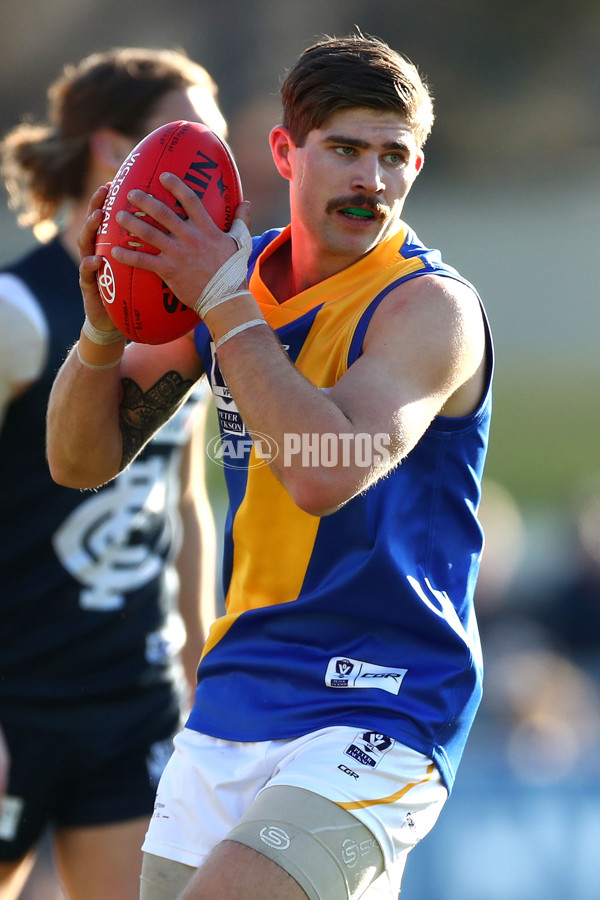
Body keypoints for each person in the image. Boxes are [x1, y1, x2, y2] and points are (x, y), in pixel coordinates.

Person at [46, 33, 494, 900]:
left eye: (393, 156)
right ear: (286, 153)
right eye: (346, 150)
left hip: (383, 697)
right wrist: (103, 324)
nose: (372, 178)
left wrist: (222, 301)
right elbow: (79, 458)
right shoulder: (237, 277)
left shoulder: (431, 310)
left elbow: (322, 472)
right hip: (238, 694)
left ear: (417, 166)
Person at [0, 48, 225, 900]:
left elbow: (183, 501)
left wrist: (199, 663)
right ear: (113, 152)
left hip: (132, 701)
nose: (216, 168)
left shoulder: (185, 315)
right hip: (17, 699)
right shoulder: (19, 312)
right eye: (192, 145)